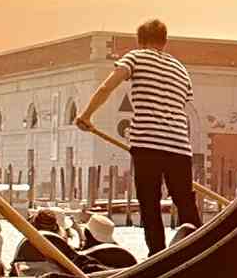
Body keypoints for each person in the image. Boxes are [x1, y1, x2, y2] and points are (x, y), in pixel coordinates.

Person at [78, 21, 202, 254]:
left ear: (140, 40)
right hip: (180, 145)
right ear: (164, 41)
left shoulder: (135, 57)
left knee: (149, 202)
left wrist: (86, 115)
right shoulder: (180, 69)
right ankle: (199, 246)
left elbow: (107, 87)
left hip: (147, 142)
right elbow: (181, 103)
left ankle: (157, 253)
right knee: (185, 202)